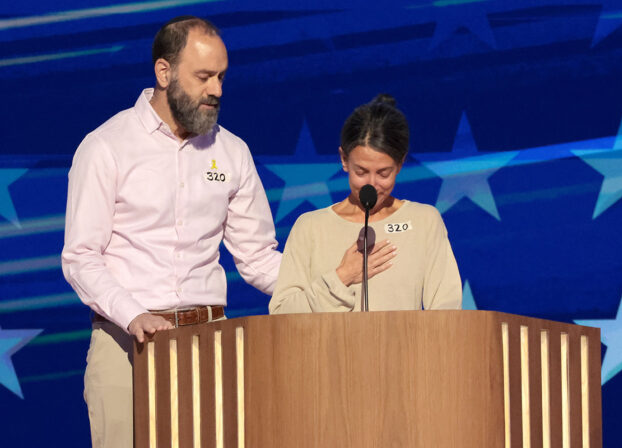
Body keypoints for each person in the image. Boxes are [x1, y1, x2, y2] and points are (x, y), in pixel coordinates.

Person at [61, 16, 281, 447]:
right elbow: (81, 256)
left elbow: (258, 258)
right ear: (164, 72)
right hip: (126, 344)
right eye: (203, 77)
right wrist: (134, 314)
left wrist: (325, 284)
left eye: (221, 76)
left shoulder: (232, 152)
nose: (216, 90)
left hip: (210, 344)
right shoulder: (107, 145)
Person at [269, 94, 461, 314]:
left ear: (400, 164)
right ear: (343, 159)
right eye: (361, 171)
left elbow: (447, 312)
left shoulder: (424, 221)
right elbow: (281, 315)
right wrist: (342, 276)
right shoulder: (310, 227)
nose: (372, 184)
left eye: (383, 173)